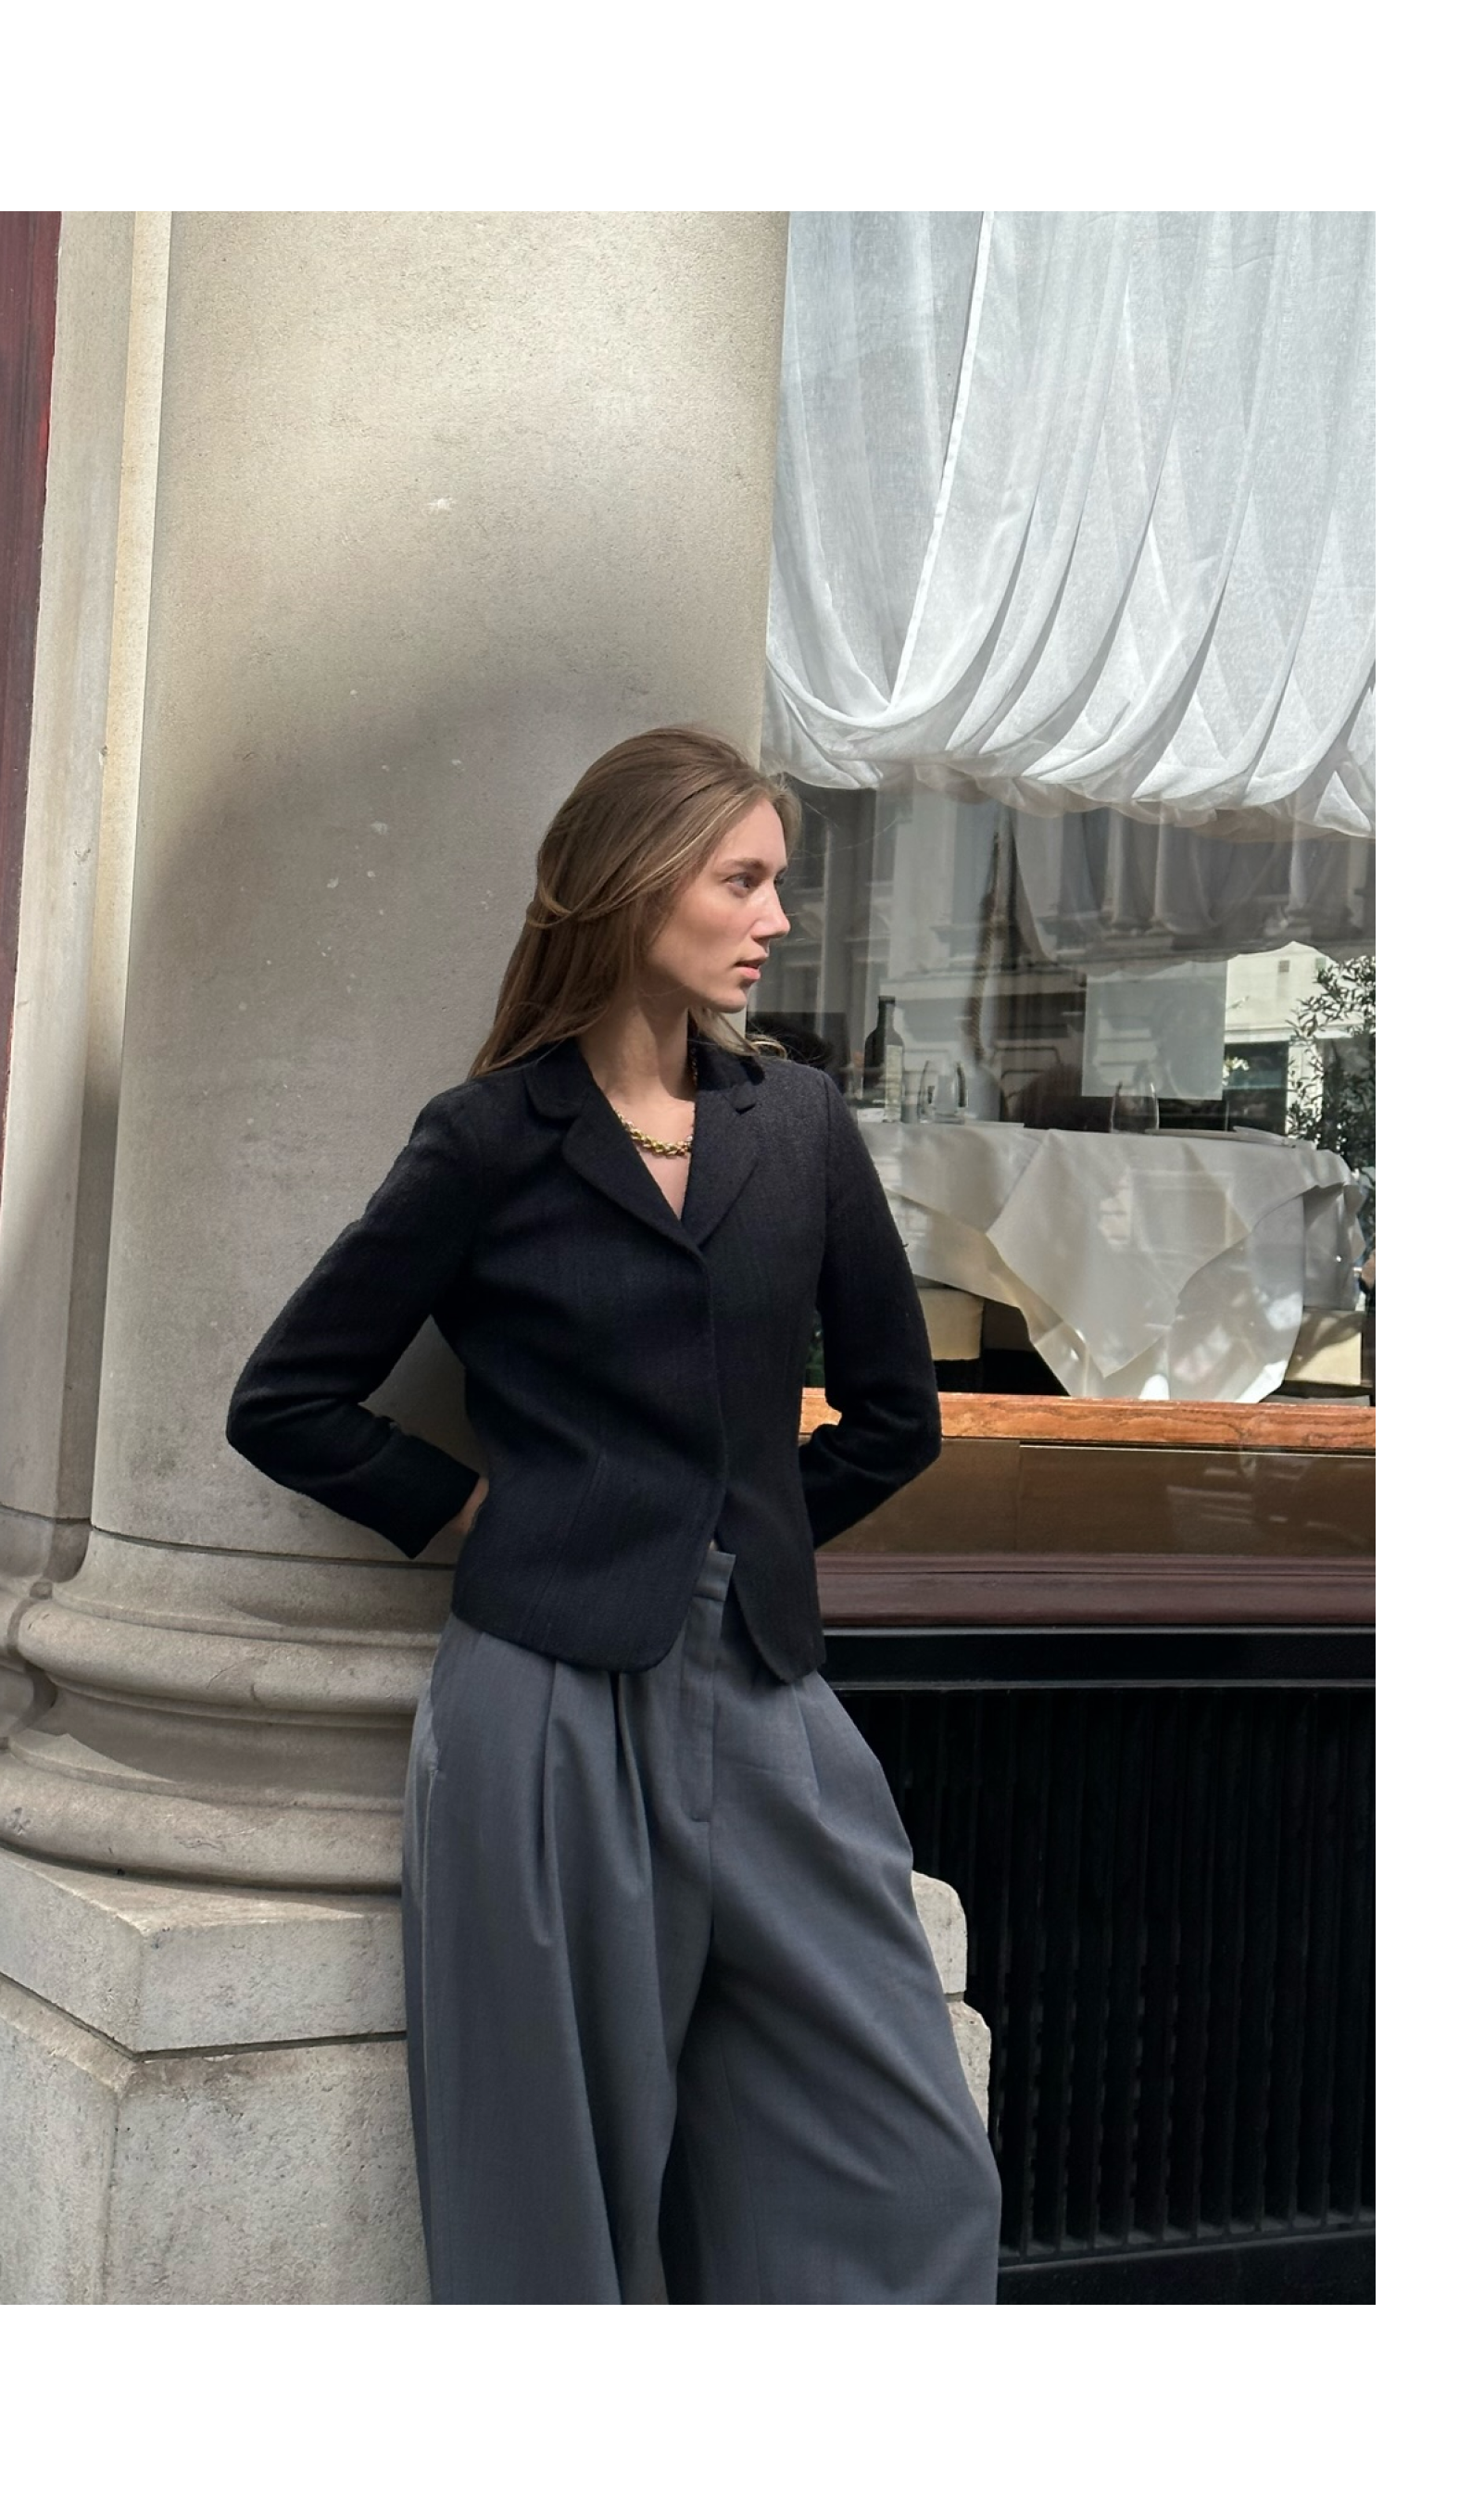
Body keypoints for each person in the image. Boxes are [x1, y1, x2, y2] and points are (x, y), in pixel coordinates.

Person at [224, 725, 998, 2303]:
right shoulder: (490, 1138)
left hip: (763, 1695)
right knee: (552, 2180)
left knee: (912, 2155)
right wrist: (486, 1516)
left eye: (776, 880)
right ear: (639, 883)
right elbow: (284, 1401)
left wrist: (749, 1525)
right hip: (543, 1698)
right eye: (745, 879)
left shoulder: (797, 1129)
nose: (777, 917)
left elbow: (896, 1418)